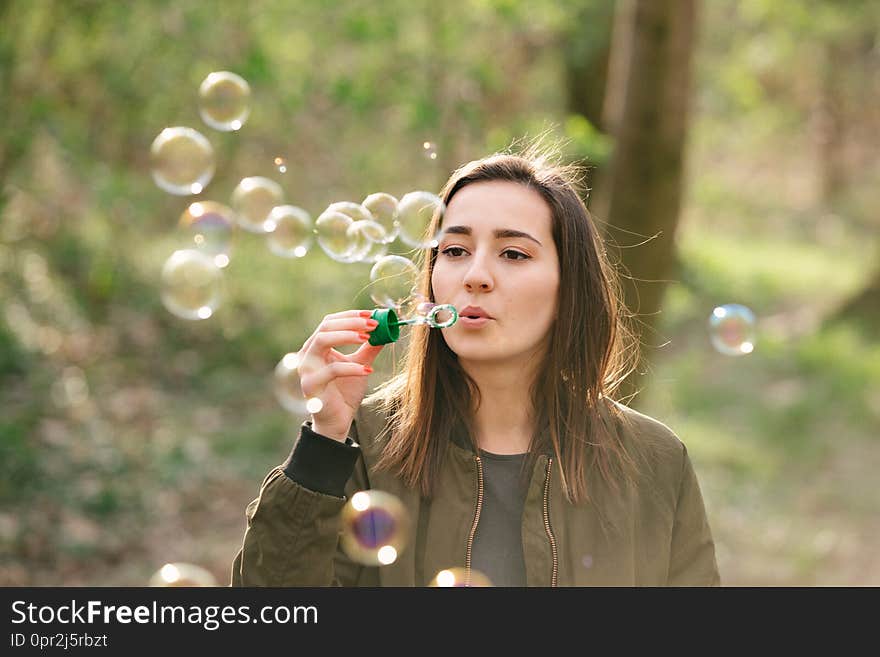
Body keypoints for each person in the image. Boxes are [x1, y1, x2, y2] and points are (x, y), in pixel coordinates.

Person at [230, 139, 721, 587]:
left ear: (570, 286)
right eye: (455, 250)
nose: (476, 275)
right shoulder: (361, 443)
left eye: (512, 253)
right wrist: (322, 444)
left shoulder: (654, 461)